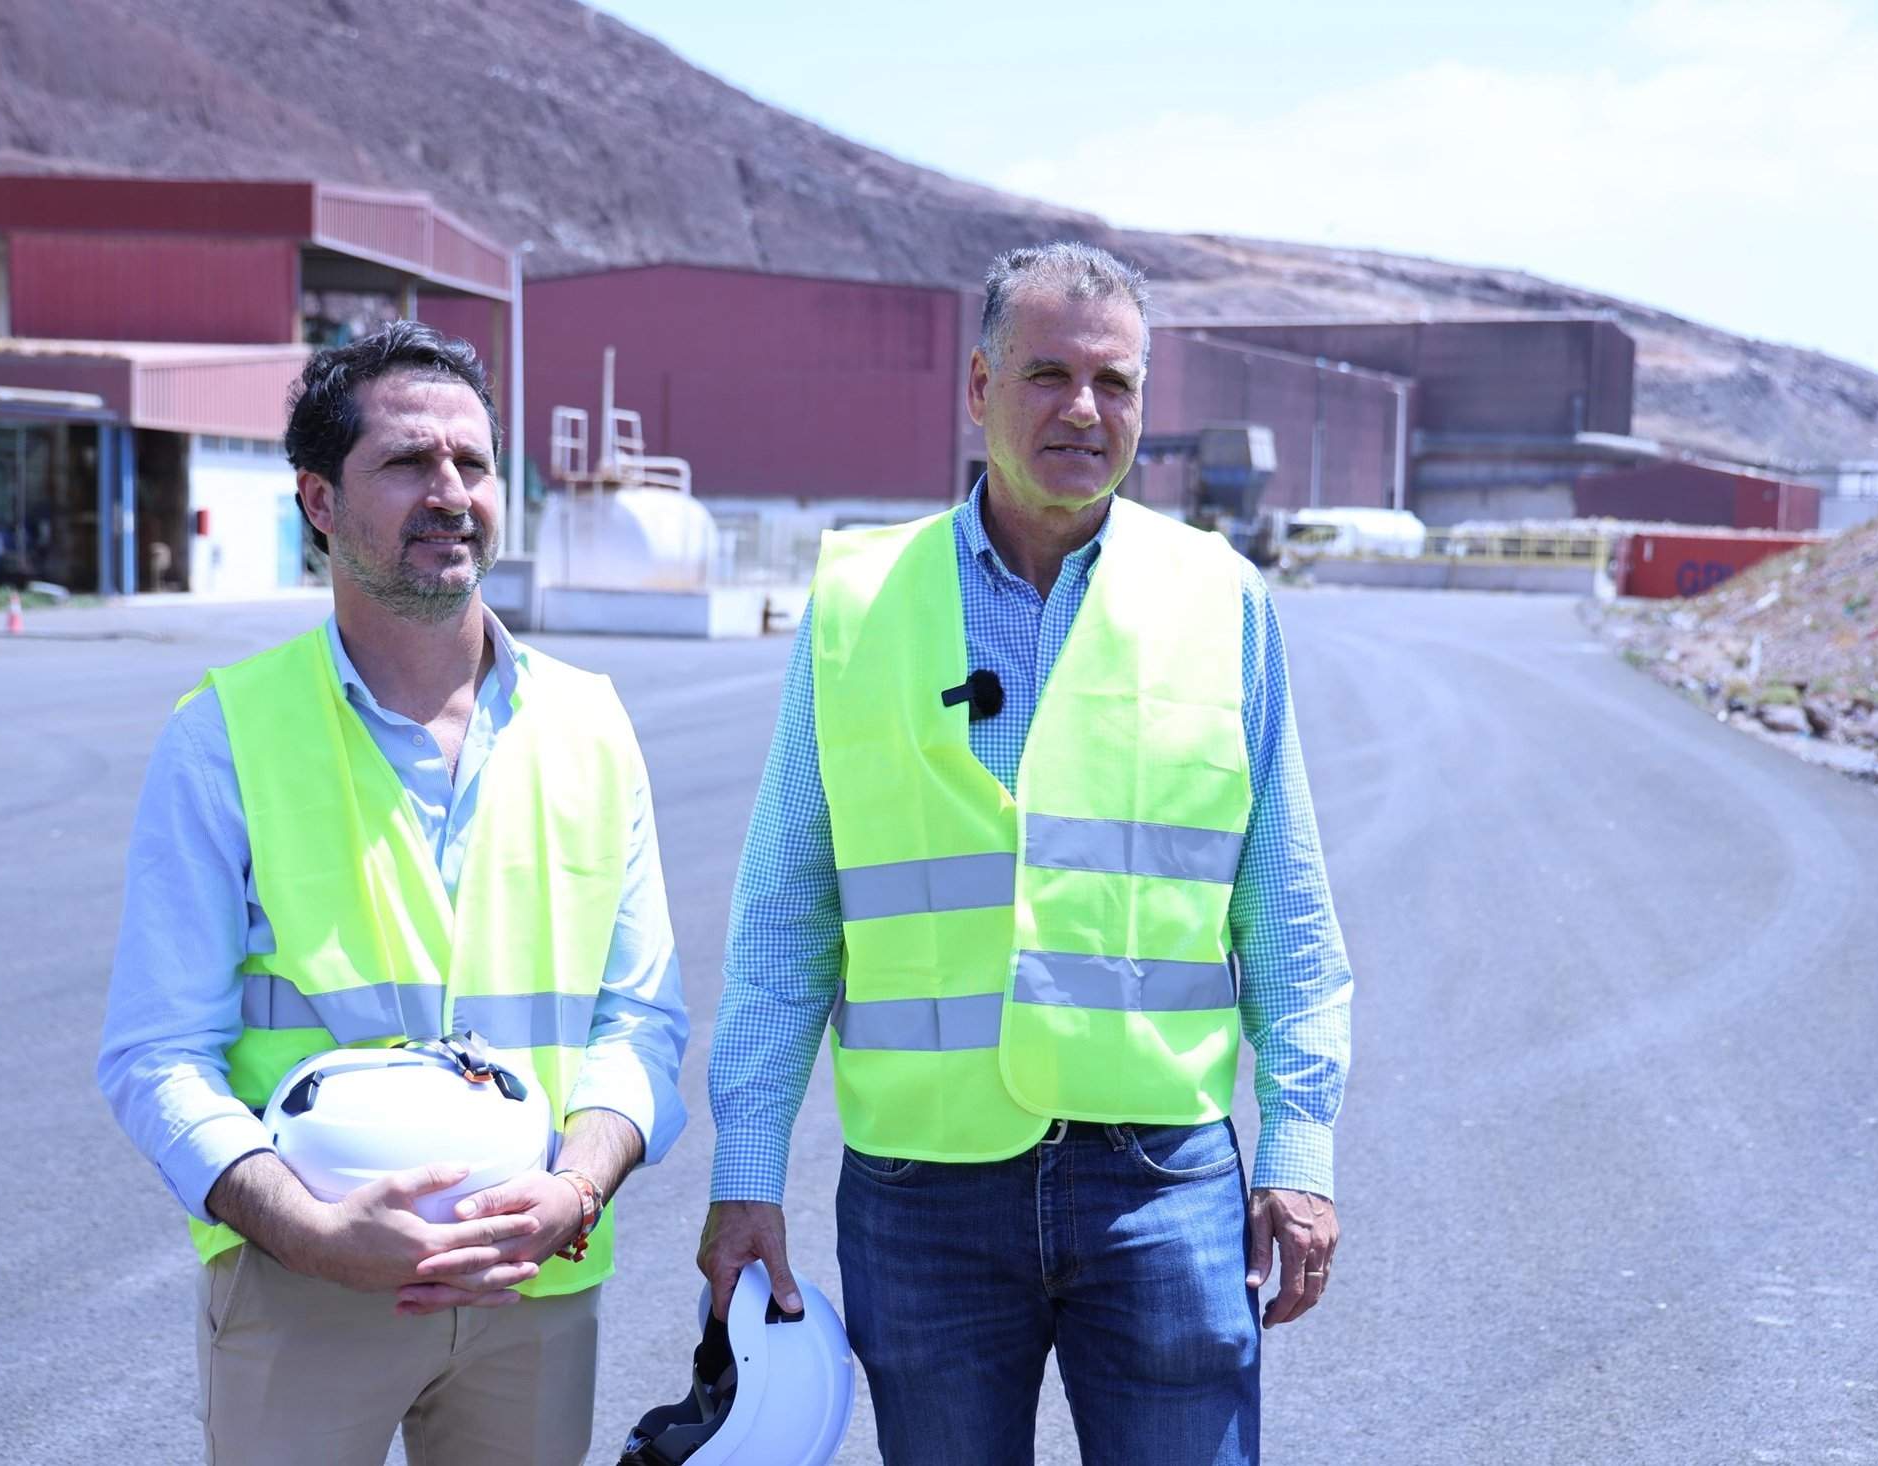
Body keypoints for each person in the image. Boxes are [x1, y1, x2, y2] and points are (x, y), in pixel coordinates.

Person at [698, 241, 1354, 1465]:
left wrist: (1300, 1153)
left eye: (1114, 383)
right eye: (1047, 375)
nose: (1082, 410)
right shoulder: (857, 600)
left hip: (1157, 1181)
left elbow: (1290, 919)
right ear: (977, 388)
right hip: (921, 1192)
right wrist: (747, 1170)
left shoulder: (1221, 599)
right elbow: (788, 913)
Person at [98, 321, 688, 1465]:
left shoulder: (591, 724)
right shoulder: (224, 735)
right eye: (409, 463)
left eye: (471, 462)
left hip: (534, 1282)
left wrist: (577, 1184)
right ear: (319, 500)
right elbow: (156, 1051)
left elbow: (640, 1019)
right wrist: (311, 1230)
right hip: (305, 1288)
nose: (451, 492)